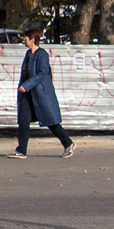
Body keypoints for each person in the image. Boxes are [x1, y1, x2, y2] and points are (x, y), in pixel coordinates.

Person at [8, 28, 75, 158]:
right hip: (27, 94)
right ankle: (21, 150)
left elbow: (42, 73)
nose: (24, 41)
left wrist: (26, 86)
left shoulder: (42, 54)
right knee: (23, 121)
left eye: (26, 38)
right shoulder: (28, 54)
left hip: (40, 93)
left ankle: (68, 143)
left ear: (32, 40)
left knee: (50, 121)